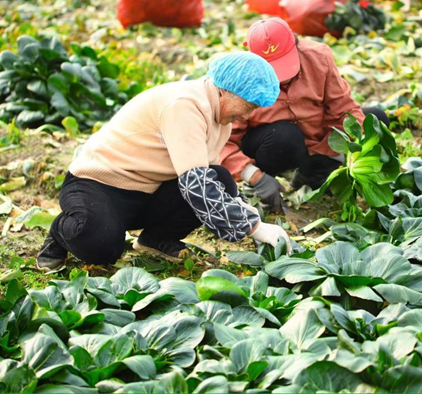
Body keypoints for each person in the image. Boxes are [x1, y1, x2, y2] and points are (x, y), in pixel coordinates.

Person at [36, 52, 291, 273]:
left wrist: (248, 216)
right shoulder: (186, 105)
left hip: (147, 190)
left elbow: (209, 182)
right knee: (100, 248)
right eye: (247, 106)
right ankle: (61, 231)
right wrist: (254, 227)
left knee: (221, 178)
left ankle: (156, 240)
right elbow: (197, 187)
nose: (245, 116)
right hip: (99, 183)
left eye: (253, 109)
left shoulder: (220, 115)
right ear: (226, 89)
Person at [220, 17, 390, 212]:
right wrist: (253, 175)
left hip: (316, 140)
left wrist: (358, 147)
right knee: (284, 136)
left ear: (296, 43)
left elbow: (343, 107)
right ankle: (264, 183)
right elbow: (222, 142)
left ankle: (310, 174)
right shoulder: (241, 80)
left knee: (375, 120)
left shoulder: (319, 58)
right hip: (272, 146)